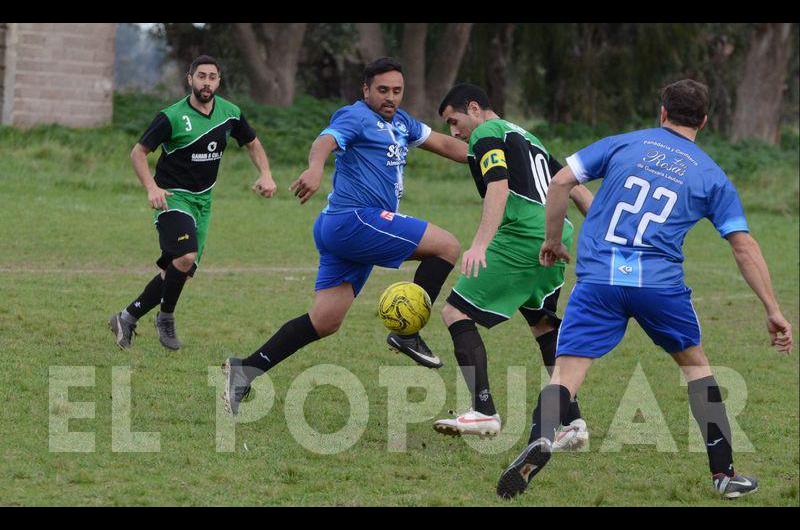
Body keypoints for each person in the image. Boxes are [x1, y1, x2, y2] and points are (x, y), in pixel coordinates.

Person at [497, 79, 793, 500]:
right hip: (658, 285)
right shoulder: (711, 174)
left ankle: (542, 436)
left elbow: (561, 181)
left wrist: (553, 240)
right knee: (695, 366)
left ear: (662, 112)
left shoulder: (624, 143)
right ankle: (724, 476)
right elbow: (743, 244)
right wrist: (772, 308)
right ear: (705, 122)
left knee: (567, 372)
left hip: (600, 278)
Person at [222, 57, 469, 415]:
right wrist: (315, 168)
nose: (390, 97)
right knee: (447, 246)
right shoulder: (355, 116)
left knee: (325, 321)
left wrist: (491, 154)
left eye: (397, 91)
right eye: (382, 90)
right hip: (355, 220)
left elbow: (449, 146)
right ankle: (407, 332)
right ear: (365, 90)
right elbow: (325, 141)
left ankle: (246, 369)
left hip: (342, 229)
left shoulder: (402, 122)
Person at [432, 84, 593, 446]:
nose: (454, 132)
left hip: (522, 234)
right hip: (556, 234)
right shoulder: (527, 136)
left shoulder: (486, 133)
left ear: (474, 108)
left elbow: (498, 187)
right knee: (543, 324)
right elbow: (574, 187)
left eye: (454, 121)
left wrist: (480, 244)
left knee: (456, 313)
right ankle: (573, 424)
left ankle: (483, 410)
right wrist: (607, 237)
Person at [108, 55, 277, 351]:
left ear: (219, 81)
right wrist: (152, 188)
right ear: (190, 79)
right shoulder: (171, 117)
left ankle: (127, 316)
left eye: (212, 77)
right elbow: (138, 152)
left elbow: (252, 142)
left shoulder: (230, 113)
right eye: (201, 76)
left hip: (204, 202)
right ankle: (166, 318)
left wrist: (265, 174)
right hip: (173, 197)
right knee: (185, 256)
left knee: (177, 270)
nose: (207, 82)